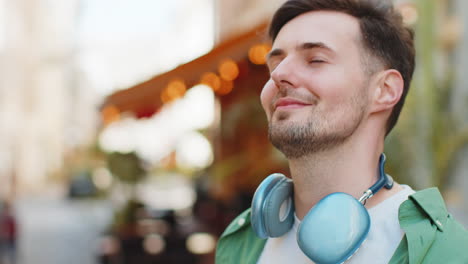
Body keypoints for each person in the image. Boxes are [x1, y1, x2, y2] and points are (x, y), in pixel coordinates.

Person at [215, 0, 468, 263]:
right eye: (274, 64)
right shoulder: (240, 243)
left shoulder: (445, 252)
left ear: (384, 90)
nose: (279, 74)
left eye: (315, 59)